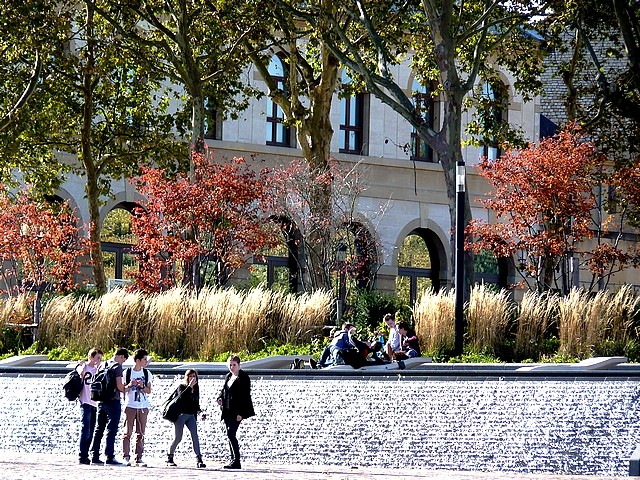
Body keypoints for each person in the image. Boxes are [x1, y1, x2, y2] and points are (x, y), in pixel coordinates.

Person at [90, 347, 128, 465]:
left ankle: (94, 455)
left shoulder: (103, 364)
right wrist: (128, 387)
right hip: (113, 401)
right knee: (111, 430)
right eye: (124, 360)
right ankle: (109, 456)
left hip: (101, 401)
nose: (123, 362)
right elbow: (119, 386)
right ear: (121, 357)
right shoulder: (117, 366)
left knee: (99, 428)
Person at [217, 355, 255, 469]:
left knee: (231, 433)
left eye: (234, 365)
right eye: (230, 365)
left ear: (239, 365)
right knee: (229, 435)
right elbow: (224, 390)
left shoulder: (244, 378)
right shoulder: (228, 376)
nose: (232, 367)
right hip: (227, 410)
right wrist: (220, 398)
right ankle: (233, 459)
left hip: (237, 411)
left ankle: (236, 460)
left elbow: (245, 397)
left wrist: (241, 414)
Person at [166, 369, 206, 468]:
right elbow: (182, 397)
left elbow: (196, 403)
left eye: (194, 376)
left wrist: (200, 412)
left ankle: (199, 458)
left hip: (191, 415)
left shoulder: (196, 388)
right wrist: (189, 387)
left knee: (195, 436)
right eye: (190, 376)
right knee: (178, 437)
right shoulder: (182, 387)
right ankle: (170, 456)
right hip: (181, 415)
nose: (192, 378)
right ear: (187, 377)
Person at [122, 348, 153, 467]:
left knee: (141, 433)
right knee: (127, 432)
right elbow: (123, 389)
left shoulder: (147, 373)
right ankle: (126, 456)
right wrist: (131, 385)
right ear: (138, 360)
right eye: (144, 359)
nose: (146, 361)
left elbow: (149, 390)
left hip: (143, 406)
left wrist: (142, 386)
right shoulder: (127, 373)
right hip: (130, 405)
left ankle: (139, 457)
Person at [77, 347, 103, 465]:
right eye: (97, 358)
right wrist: (81, 365)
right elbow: (79, 373)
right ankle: (82, 456)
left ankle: (86, 455)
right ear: (91, 357)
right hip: (85, 402)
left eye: (100, 358)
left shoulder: (98, 370)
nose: (99, 360)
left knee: (91, 431)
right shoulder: (85, 367)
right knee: (85, 430)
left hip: (95, 404)